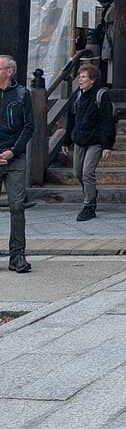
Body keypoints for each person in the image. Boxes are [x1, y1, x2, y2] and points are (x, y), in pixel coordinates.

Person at [66, 62, 116, 222]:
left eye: (83, 77)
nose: (80, 80)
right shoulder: (77, 96)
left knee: (87, 172)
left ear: (92, 80)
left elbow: (108, 121)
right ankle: (91, 193)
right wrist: (67, 140)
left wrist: (108, 145)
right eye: (79, 77)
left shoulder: (101, 96)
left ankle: (89, 205)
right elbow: (71, 118)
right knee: (77, 173)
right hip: (80, 138)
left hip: (96, 140)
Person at [0, 54, 34, 273]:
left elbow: (29, 126)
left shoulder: (22, 94)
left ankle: (17, 255)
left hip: (15, 156)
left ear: (9, 71)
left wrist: (13, 151)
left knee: (17, 205)